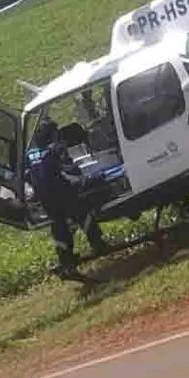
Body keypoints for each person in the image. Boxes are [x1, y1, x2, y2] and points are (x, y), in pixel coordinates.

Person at [28, 119, 110, 282]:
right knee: (83, 213)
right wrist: (87, 179)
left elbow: (29, 175)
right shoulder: (52, 151)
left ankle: (66, 260)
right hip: (61, 192)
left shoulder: (29, 155)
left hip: (45, 199)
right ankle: (97, 243)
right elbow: (69, 170)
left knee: (59, 227)